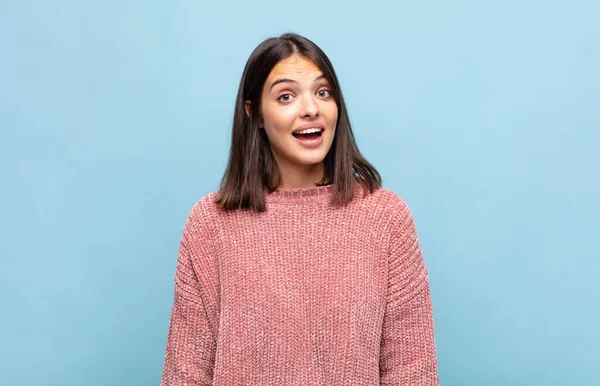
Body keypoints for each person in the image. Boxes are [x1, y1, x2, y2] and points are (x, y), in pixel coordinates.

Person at [160, 33, 440, 385]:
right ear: (255, 114)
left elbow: (412, 371)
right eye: (286, 96)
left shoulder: (385, 218)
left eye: (323, 92)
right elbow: (185, 373)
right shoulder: (210, 225)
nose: (311, 108)